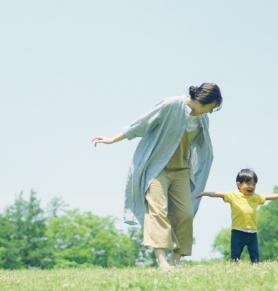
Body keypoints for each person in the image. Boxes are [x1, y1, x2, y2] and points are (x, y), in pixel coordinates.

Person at [93, 84, 222, 270]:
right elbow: (142, 124)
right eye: (212, 106)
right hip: (157, 168)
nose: (211, 111)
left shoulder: (203, 120)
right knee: (157, 211)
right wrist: (112, 139)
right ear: (204, 99)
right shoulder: (171, 105)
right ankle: (163, 263)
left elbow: (203, 148)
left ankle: (176, 264)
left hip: (182, 171)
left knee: (185, 214)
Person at [196, 169, 278, 263]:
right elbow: (218, 194)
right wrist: (205, 193)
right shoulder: (233, 195)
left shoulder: (256, 197)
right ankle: (233, 270)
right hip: (238, 232)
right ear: (239, 184)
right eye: (248, 183)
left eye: (254, 184)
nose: (251, 187)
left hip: (252, 233)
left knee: (255, 256)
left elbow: (268, 197)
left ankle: (257, 270)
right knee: (235, 256)